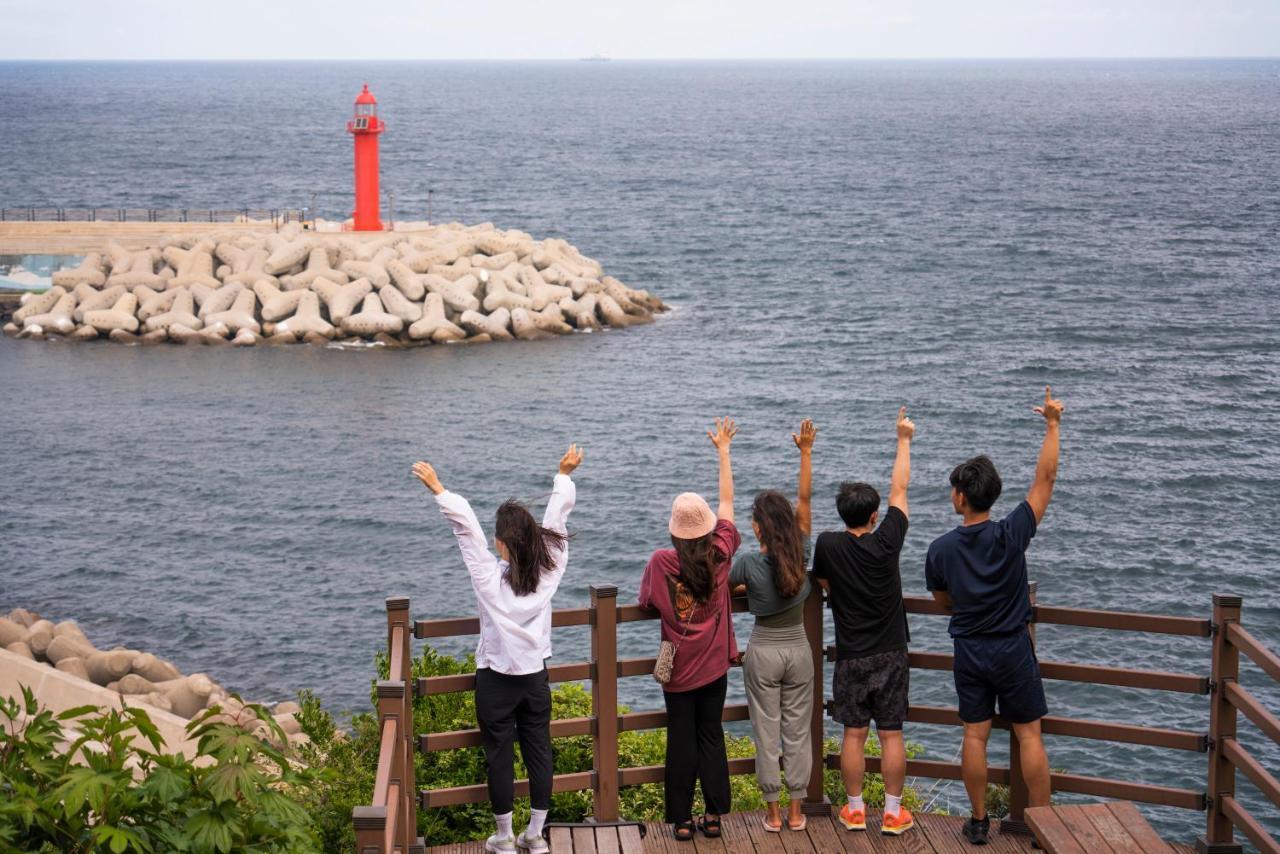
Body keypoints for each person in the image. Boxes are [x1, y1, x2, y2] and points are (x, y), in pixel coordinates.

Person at [411, 444, 584, 854]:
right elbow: (556, 520)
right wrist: (563, 475)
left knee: (499, 757)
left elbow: (466, 529)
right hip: (535, 678)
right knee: (540, 752)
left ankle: (504, 837)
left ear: (503, 543)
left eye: (497, 538)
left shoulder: (487, 577)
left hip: (495, 680)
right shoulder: (550, 569)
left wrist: (439, 489)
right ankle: (536, 835)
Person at [925, 386, 1063, 846]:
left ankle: (980, 821)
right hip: (1012, 646)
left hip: (969, 648)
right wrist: (1052, 424)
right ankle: (1041, 827)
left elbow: (941, 601)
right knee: (1029, 736)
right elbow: (1044, 480)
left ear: (961, 497)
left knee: (975, 737)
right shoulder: (1011, 534)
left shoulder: (941, 549)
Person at [813, 406, 917, 836]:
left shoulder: (829, 544)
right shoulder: (889, 539)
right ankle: (893, 813)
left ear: (843, 515)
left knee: (853, 735)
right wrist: (903, 439)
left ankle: (854, 810)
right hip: (891, 652)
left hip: (852, 655)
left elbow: (821, 583)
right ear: (874, 517)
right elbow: (900, 487)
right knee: (891, 735)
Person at [638, 417, 742, 843]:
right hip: (715, 667)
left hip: (678, 672)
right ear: (707, 529)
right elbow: (729, 508)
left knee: (680, 740)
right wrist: (723, 451)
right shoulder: (720, 554)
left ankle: (680, 820)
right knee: (711, 735)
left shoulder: (662, 563)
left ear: (675, 532)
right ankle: (715, 815)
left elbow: (646, 602)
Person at [729, 419, 817, 832]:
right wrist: (805, 453)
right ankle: (799, 814)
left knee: (767, 733)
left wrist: (748, 585)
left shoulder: (747, 562)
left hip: (763, 652)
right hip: (799, 650)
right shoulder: (801, 554)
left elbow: (722, 586)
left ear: (757, 527)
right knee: (797, 732)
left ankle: (773, 814)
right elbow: (805, 499)